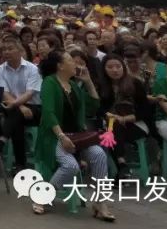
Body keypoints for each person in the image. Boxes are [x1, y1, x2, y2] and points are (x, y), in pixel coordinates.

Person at [31, 49, 113, 219]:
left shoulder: (74, 86)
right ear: (60, 66)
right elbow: (48, 112)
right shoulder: (49, 82)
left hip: (77, 137)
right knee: (71, 166)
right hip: (56, 137)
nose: (75, 64)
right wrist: (62, 136)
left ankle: (100, 202)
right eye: (70, 60)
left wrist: (89, 82)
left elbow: (94, 104)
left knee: (99, 155)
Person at [97, 54, 152, 174]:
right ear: (104, 70)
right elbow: (99, 108)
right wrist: (109, 115)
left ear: (123, 67)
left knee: (111, 131)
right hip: (111, 124)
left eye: (118, 66)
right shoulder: (101, 85)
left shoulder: (135, 83)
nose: (115, 70)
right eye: (110, 67)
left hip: (136, 124)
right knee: (111, 127)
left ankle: (121, 165)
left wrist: (125, 118)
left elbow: (145, 109)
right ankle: (121, 165)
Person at [0, 36, 42, 171]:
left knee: (14, 116)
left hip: (33, 108)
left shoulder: (33, 69)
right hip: (13, 108)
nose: (6, 52)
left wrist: (17, 105)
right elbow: (5, 93)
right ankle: (20, 164)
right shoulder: (0, 70)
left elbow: (30, 93)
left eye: (10, 49)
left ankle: (4, 139)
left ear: (20, 51)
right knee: (17, 118)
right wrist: (19, 106)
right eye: (4, 50)